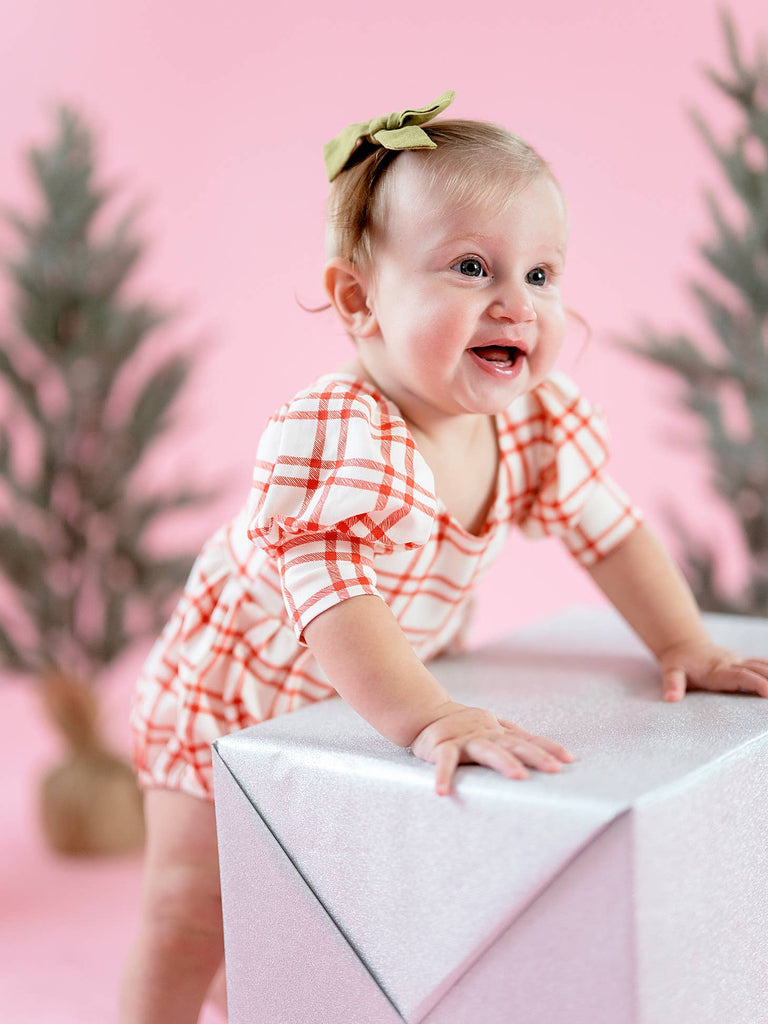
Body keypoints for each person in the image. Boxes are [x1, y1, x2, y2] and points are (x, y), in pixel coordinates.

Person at [119, 91, 768, 1024]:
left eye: (542, 274)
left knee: (309, 918)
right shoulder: (340, 430)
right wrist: (428, 717)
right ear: (358, 300)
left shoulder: (530, 421)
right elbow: (337, 596)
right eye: (472, 267)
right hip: (235, 692)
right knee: (191, 911)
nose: (518, 303)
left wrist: (686, 643)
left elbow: (610, 529)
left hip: (360, 700)